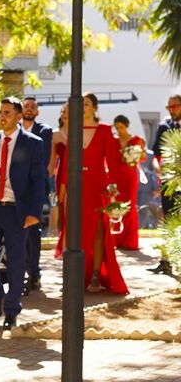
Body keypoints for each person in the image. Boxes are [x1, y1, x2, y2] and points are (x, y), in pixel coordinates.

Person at [0, 96, 45, 330]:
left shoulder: (33, 143)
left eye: (7, 112)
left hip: (18, 211)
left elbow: (38, 181)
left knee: (17, 262)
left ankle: (12, 309)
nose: (2, 116)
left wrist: (35, 212)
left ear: (18, 116)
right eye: (0, 112)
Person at [55, 92, 128, 294]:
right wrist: (63, 186)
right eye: (81, 104)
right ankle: (75, 275)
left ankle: (95, 274)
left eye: (86, 103)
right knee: (74, 230)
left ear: (94, 107)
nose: (83, 106)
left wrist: (113, 187)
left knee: (98, 230)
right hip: (75, 185)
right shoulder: (74, 129)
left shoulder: (105, 130)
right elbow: (68, 160)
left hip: (98, 185)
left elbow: (112, 161)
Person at [20, 95, 53, 294]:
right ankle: (21, 271)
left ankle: (34, 273)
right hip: (14, 190)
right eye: (26, 106)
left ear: (37, 111)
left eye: (33, 107)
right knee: (18, 233)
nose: (30, 109)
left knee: (33, 233)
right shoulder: (13, 130)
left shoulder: (44, 132)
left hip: (35, 189)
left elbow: (43, 159)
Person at [148, 94, 181, 274]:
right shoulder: (164, 127)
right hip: (169, 182)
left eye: (174, 106)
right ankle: (166, 261)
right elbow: (156, 155)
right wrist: (157, 168)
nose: (170, 110)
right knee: (169, 220)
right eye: (168, 107)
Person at [112, 114, 146, 250]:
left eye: (121, 127)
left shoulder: (137, 140)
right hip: (115, 176)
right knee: (116, 206)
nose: (119, 130)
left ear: (126, 125)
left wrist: (135, 156)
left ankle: (130, 240)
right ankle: (117, 239)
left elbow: (143, 157)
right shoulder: (113, 140)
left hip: (130, 176)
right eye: (117, 128)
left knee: (130, 206)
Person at [51, 103, 69, 259]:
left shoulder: (82, 132)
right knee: (64, 211)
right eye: (63, 111)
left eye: (68, 111)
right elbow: (51, 161)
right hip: (61, 174)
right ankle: (64, 246)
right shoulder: (55, 134)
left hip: (80, 174)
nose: (64, 113)